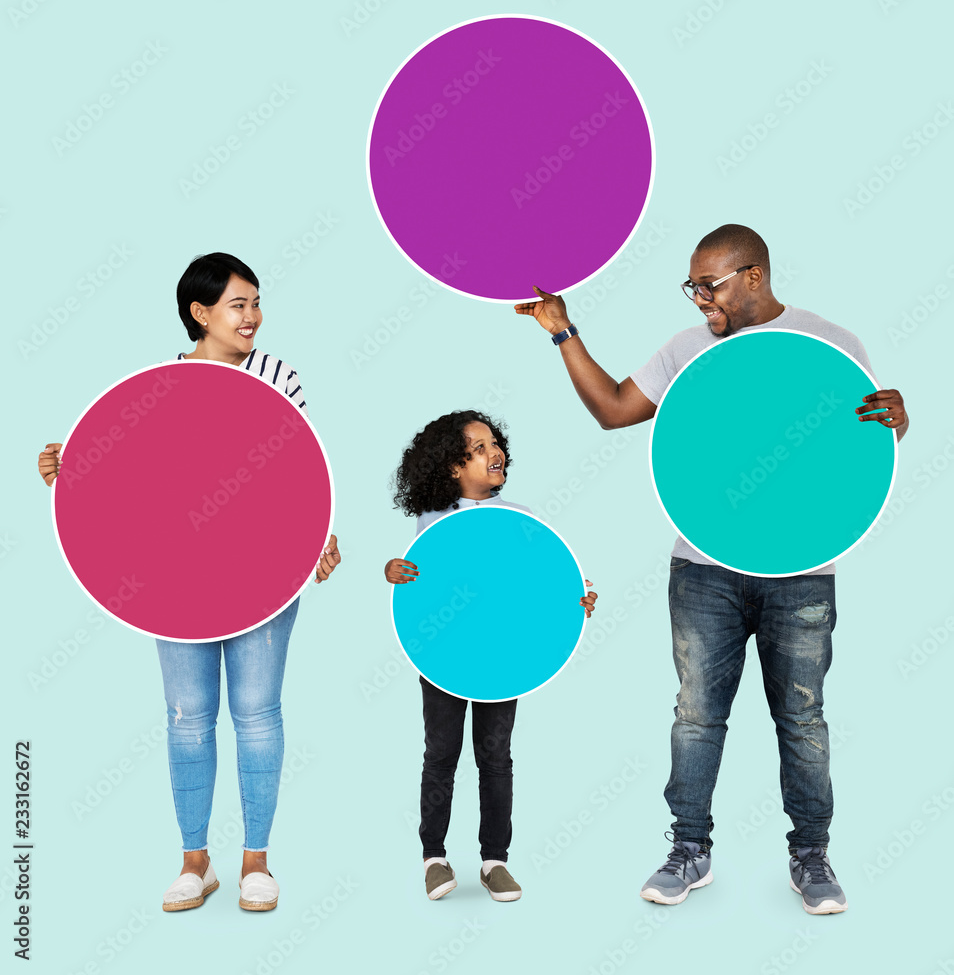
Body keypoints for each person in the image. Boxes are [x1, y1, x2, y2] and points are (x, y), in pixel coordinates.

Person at [515, 224, 908, 915]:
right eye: (692, 286)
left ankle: (811, 857)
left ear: (754, 276)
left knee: (803, 717)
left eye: (711, 284)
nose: (700, 299)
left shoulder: (830, 343)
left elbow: (865, 442)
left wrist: (897, 419)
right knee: (696, 716)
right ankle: (688, 850)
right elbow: (612, 410)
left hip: (803, 569)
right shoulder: (687, 348)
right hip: (702, 570)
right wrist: (561, 331)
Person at [38, 251, 342, 913]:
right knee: (187, 717)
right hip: (177, 578)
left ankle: (256, 863)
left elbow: (300, 471)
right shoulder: (158, 385)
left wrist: (321, 537)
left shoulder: (278, 376)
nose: (254, 317)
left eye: (258, 302)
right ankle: (195, 863)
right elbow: (136, 485)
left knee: (258, 713)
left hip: (265, 568)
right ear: (201, 314)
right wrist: (70, 471)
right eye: (239, 305)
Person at [384, 410, 597, 902]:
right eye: (476, 448)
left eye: (493, 443)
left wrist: (576, 600)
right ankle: (434, 857)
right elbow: (417, 584)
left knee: (495, 757)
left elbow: (545, 581)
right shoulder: (434, 521)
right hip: (443, 658)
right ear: (451, 468)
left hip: (505, 659)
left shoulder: (520, 517)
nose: (492, 452)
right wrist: (390, 570)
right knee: (440, 754)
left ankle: (494, 860)